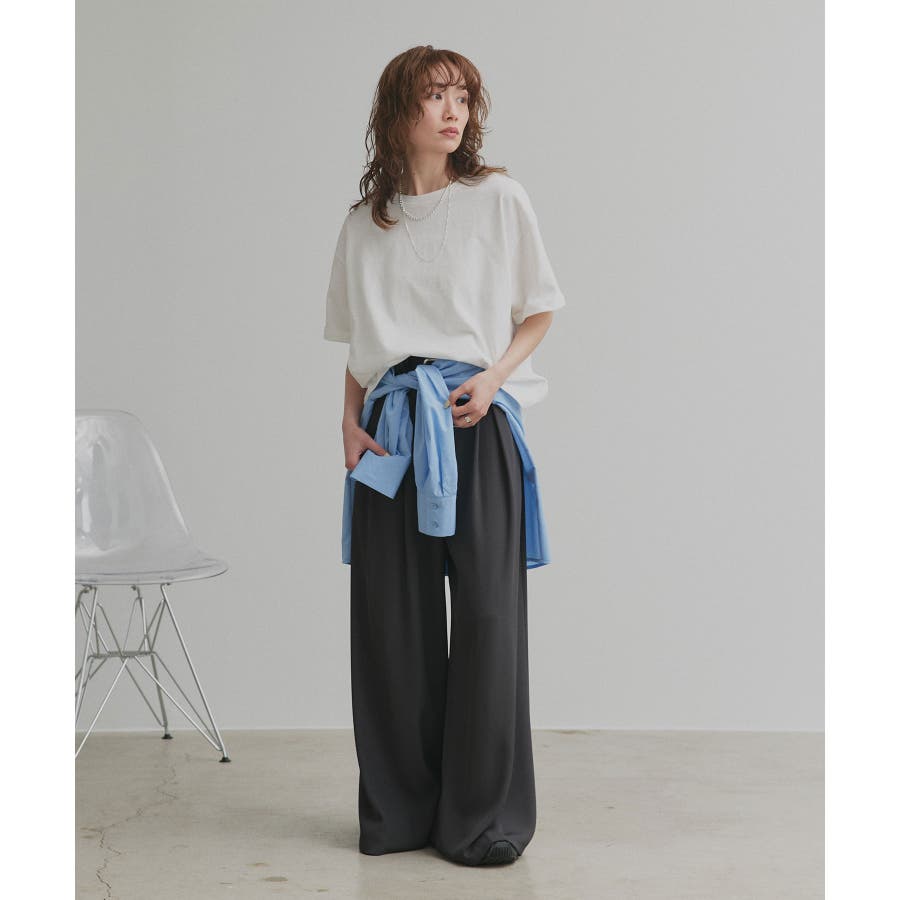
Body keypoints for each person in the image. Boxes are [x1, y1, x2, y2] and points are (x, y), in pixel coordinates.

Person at [323, 45, 566, 867]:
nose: (452, 111)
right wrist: (347, 422)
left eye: (462, 96)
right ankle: (399, 812)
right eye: (434, 97)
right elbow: (359, 345)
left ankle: (482, 819)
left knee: (490, 622)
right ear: (398, 113)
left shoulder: (498, 199)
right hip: (391, 428)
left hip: (475, 419)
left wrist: (494, 379)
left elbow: (540, 309)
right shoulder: (364, 224)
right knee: (392, 626)